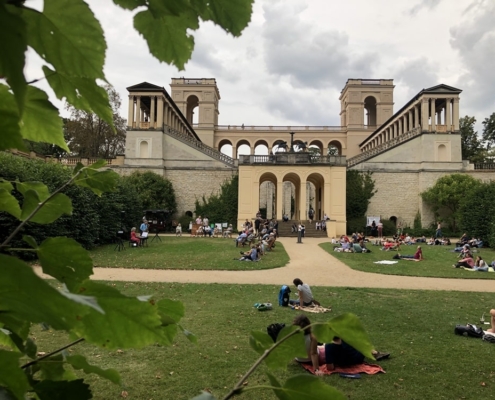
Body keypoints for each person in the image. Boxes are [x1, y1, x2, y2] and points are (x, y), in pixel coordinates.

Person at [292, 315, 390, 375]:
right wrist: (316, 369)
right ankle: (374, 352)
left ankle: (373, 352)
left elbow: (330, 366)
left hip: (300, 358)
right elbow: (314, 353)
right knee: (357, 344)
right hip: (356, 357)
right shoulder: (316, 339)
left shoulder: (291, 336)